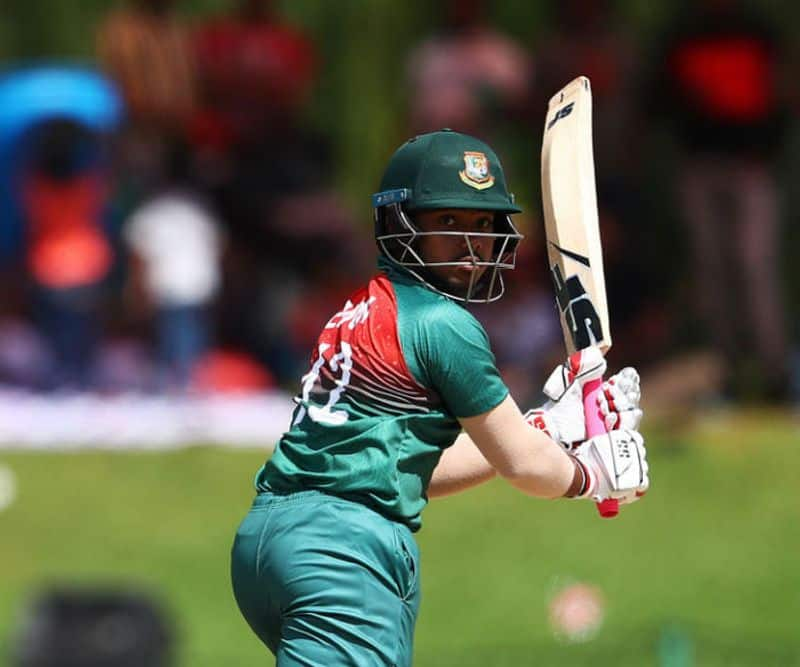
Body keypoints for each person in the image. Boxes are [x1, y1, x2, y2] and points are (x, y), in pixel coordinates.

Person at [230, 129, 649, 665]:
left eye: (482, 224)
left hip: (269, 540)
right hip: (343, 553)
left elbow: (407, 468)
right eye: (448, 222)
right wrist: (587, 475)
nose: (472, 243)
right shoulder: (445, 323)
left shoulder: (358, 311)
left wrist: (547, 429)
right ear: (399, 223)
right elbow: (523, 467)